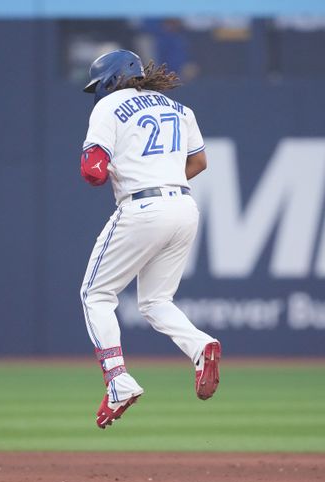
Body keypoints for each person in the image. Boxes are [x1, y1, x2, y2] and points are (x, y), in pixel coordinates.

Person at [79, 49, 221, 430]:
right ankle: (199, 345)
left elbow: (92, 170)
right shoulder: (180, 108)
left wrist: (122, 171)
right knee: (156, 301)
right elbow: (199, 162)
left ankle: (118, 381)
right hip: (184, 207)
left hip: (142, 207)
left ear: (111, 79)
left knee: (96, 295)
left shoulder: (108, 108)